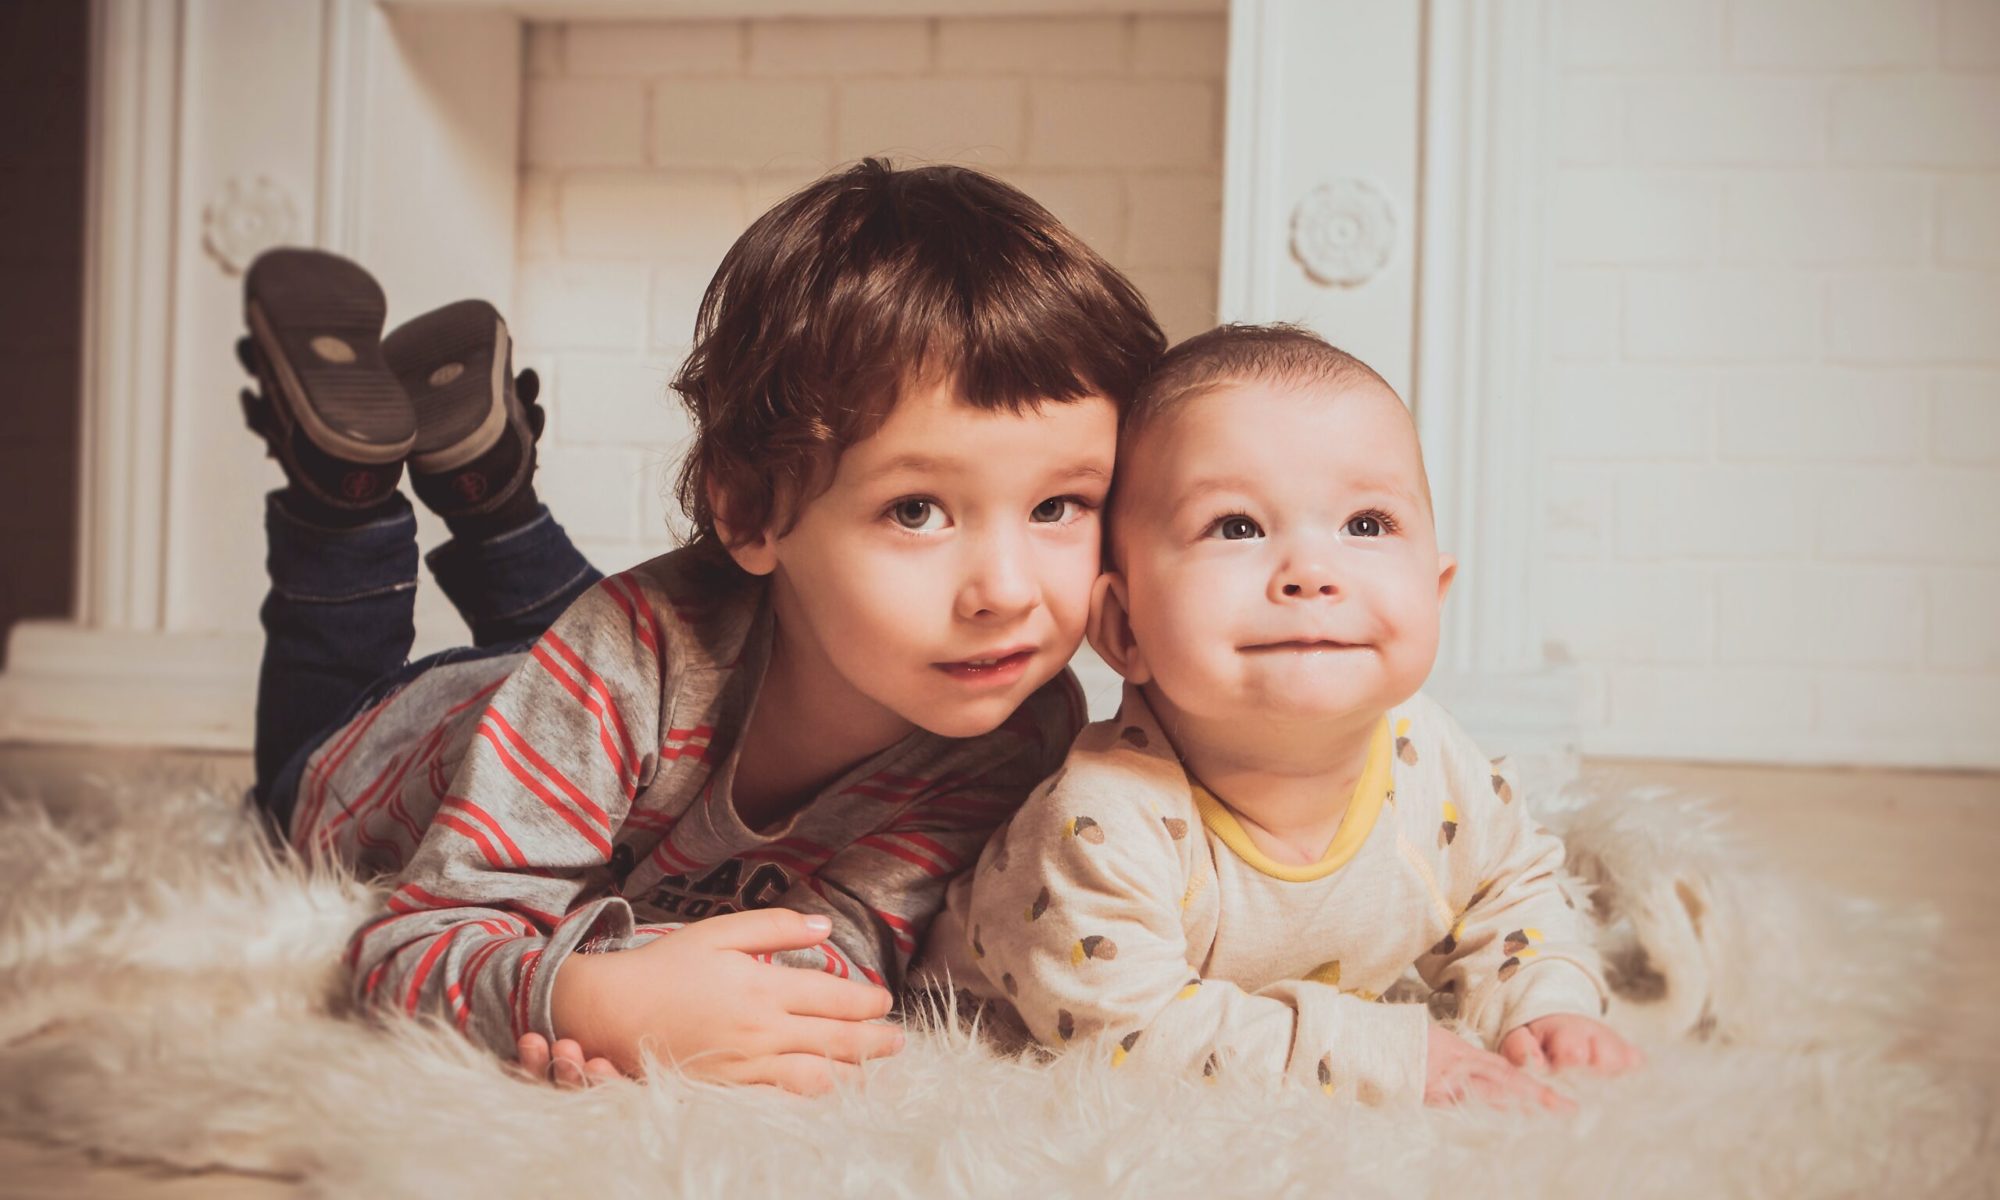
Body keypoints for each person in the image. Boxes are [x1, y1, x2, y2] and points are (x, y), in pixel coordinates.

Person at [239, 159, 1165, 1092]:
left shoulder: (1013, 725)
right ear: (752, 511)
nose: (1005, 593)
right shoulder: (623, 661)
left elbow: (846, 949)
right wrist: (579, 1002)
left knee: (650, 651)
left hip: (617, 702)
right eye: (916, 510)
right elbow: (401, 947)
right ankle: (343, 493)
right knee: (301, 764)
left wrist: (692, 995)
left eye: (1059, 506)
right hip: (391, 745)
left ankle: (495, 500)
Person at [913, 324, 1641, 1111]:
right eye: (1237, 527)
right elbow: (1124, 1033)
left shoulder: (1430, 755)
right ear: (1124, 628)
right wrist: (1384, 1054)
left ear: (1435, 593)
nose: (1312, 573)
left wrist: (1546, 999)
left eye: (1367, 524)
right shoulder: (1099, 820)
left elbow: (1510, 892)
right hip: (986, 1023)